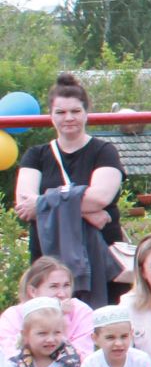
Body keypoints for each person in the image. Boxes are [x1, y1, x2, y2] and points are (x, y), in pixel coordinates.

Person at [13, 72, 126, 309]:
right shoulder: (36, 155)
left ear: (86, 113)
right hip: (48, 259)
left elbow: (101, 197)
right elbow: (25, 206)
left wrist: (46, 202)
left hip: (102, 257)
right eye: (61, 112)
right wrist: (86, 212)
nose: (69, 118)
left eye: (75, 111)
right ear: (51, 116)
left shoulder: (105, 151)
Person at [0, 257, 95, 357]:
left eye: (66, 285)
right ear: (33, 291)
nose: (62, 294)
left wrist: (61, 319)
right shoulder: (13, 315)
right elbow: (9, 355)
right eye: (54, 286)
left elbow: (84, 357)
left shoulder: (81, 311)